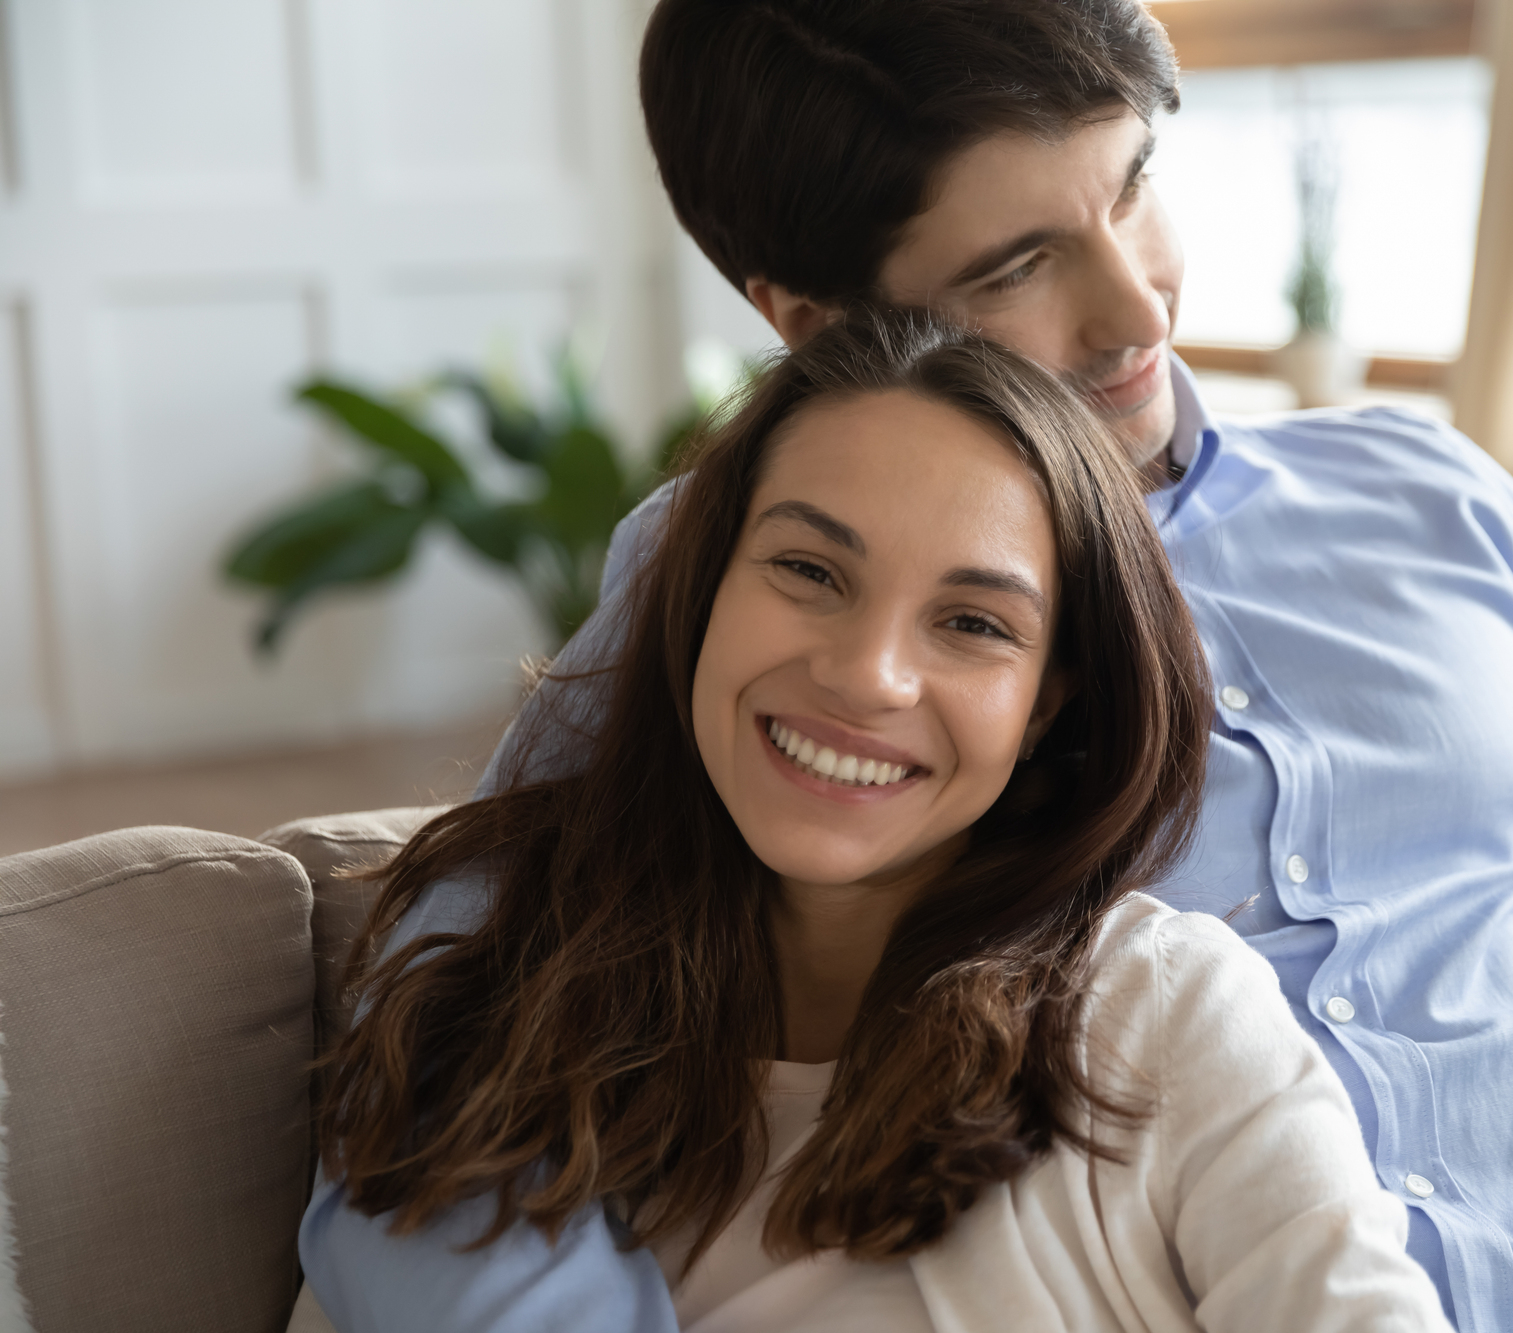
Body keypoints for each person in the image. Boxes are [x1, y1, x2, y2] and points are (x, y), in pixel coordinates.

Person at [324, 2, 1513, 1330]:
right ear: (815, 318)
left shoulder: (1433, 500)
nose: (1135, 310)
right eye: (1015, 267)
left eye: (1129, 190)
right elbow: (451, 1056)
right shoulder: (783, 614)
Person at [301, 311, 1455, 1333]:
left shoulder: (1166, 1012)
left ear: (1047, 700)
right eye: (807, 568)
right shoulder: (503, 1045)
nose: (867, 676)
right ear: (703, 589)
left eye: (972, 623)